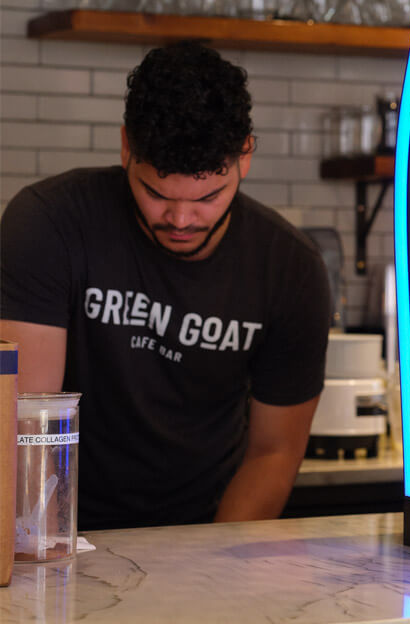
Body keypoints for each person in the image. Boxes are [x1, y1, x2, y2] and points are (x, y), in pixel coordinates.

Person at [1, 42, 331, 530]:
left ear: (245, 156)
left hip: (205, 532)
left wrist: (213, 564)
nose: (179, 219)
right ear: (125, 147)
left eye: (208, 197)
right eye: (155, 193)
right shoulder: (48, 223)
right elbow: (27, 426)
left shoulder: (290, 268)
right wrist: (48, 563)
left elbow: (274, 451)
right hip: (66, 530)